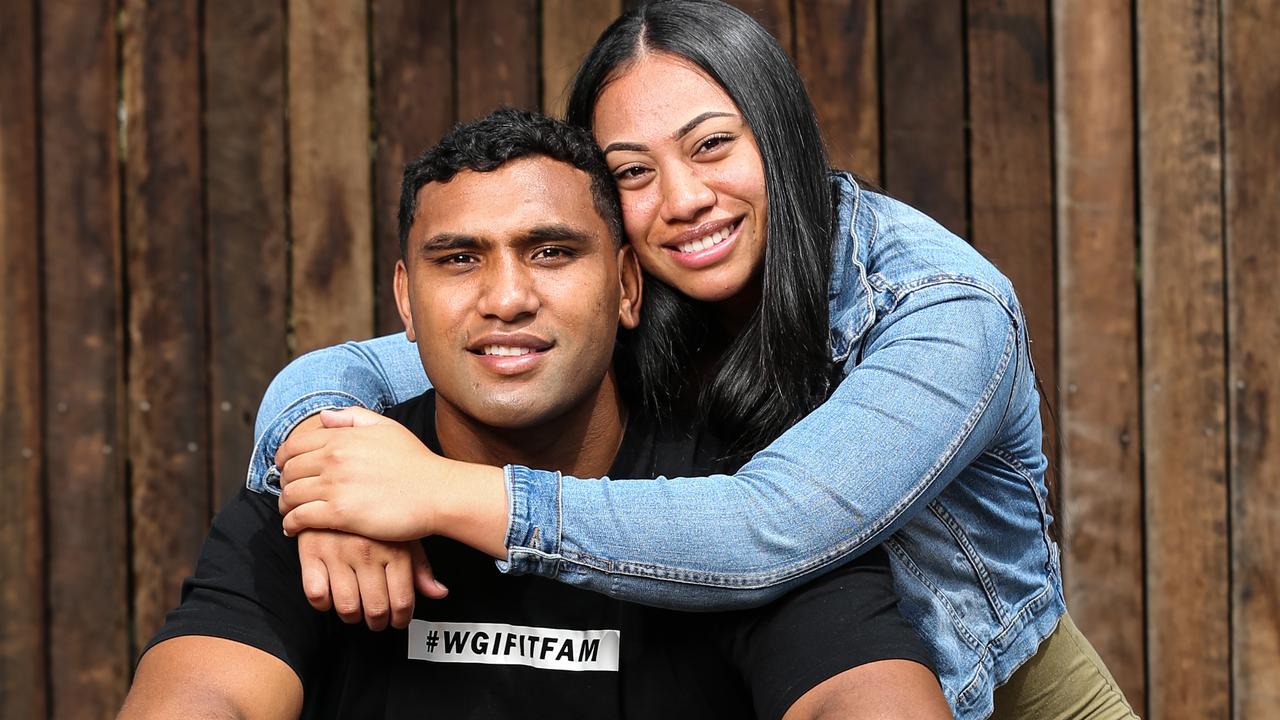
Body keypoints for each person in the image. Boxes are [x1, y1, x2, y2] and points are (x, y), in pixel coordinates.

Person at [254, 2, 1137, 718]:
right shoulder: (637, 289)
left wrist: (434, 491)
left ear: (779, 134)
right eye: (631, 173)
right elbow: (381, 363)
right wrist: (326, 482)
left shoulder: (942, 306)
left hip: (1000, 689)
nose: (682, 200)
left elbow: (767, 531)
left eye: (713, 145)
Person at [120, 108, 947, 719]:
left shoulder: (738, 494)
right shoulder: (331, 493)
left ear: (627, 287)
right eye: (458, 259)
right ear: (406, 300)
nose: (507, 297)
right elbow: (200, 694)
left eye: (552, 252)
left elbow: (870, 698)